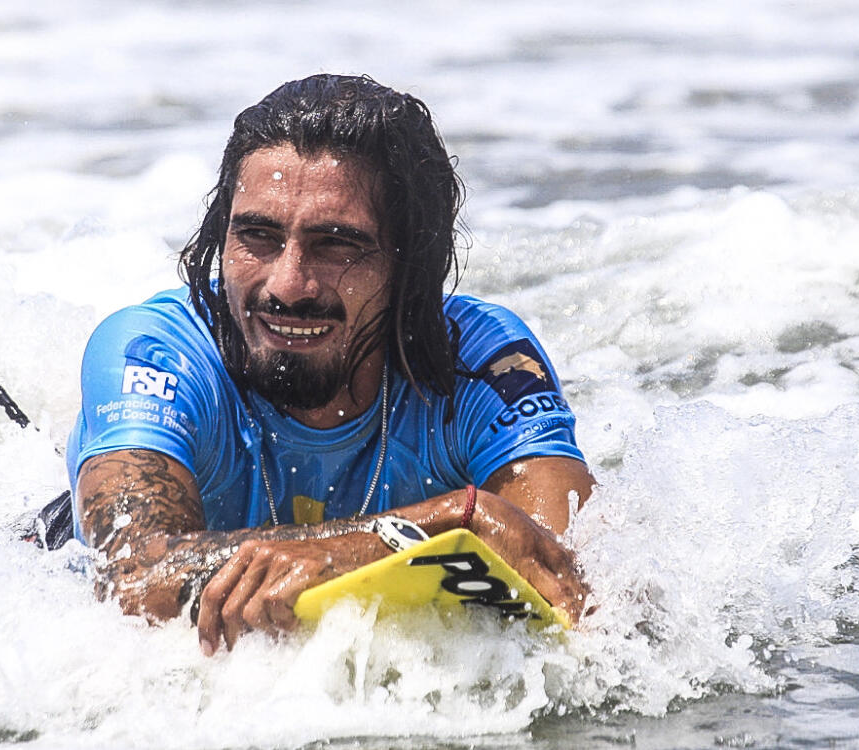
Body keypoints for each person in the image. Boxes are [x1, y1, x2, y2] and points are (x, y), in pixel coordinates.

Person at [65, 74, 594, 655]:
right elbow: (134, 580)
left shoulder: (479, 364)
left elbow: (583, 590)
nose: (288, 285)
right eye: (258, 236)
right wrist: (420, 529)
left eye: (336, 244)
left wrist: (342, 552)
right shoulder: (155, 352)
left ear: (410, 264)